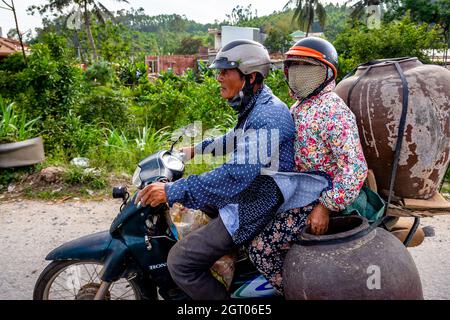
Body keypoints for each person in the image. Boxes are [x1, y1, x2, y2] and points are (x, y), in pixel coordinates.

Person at [134, 39, 328, 300]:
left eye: (225, 72)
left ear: (251, 77)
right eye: (219, 72)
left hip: (256, 201)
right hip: (251, 190)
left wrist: (171, 190)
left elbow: (234, 175)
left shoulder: (268, 117)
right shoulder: (257, 105)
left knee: (181, 262)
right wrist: (195, 150)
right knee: (192, 207)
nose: (219, 78)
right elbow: (234, 138)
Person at [248, 37, 368, 295]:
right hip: (296, 193)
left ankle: (296, 292)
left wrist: (325, 207)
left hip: (318, 200)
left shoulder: (335, 111)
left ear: (326, 72)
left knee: (260, 249)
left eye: (308, 66)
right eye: (294, 65)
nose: (299, 72)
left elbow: (354, 168)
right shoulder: (300, 106)